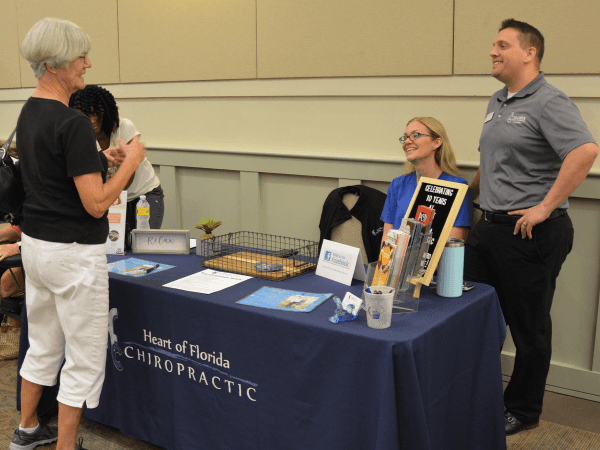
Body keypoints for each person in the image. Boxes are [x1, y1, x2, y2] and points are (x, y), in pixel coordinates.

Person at [13, 17, 146, 450]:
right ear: (53, 64)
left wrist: (100, 157)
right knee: (84, 361)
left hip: (36, 249)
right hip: (72, 255)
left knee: (43, 346)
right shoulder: (71, 122)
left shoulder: (29, 111)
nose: (87, 64)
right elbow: (94, 203)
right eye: (80, 57)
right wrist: (130, 162)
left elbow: (55, 172)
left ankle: (27, 430)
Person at [464, 19, 598, 436]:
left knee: (529, 327)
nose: (492, 51)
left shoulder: (549, 101)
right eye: (493, 44)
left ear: (530, 53)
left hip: (530, 234)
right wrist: (464, 196)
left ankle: (523, 410)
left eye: (502, 45)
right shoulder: (498, 100)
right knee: (472, 315)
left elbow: (585, 150)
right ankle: (474, 394)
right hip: (490, 227)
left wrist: (543, 208)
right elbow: (493, 161)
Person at [69, 85, 164, 245]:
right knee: (118, 245)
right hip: (112, 197)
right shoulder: (80, 138)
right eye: (87, 114)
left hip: (144, 194)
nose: (92, 120)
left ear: (105, 111)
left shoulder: (124, 127)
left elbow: (129, 172)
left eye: (96, 113)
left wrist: (108, 197)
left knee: (144, 244)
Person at [381, 117, 473, 242]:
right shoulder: (397, 184)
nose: (407, 141)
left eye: (415, 135)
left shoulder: (457, 187)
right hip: (397, 260)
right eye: (405, 137)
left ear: (436, 142)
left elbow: (452, 247)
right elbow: (387, 237)